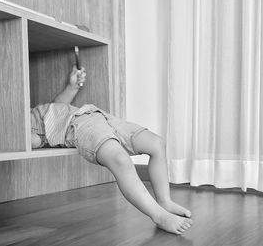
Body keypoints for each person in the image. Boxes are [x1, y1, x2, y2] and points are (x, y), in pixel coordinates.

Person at [30, 66, 193, 235]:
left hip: (96, 114)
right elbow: (33, 141)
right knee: (120, 160)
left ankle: (164, 201)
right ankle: (159, 216)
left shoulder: (37, 110)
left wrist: (72, 87)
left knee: (156, 143)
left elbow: (59, 105)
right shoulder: (22, 127)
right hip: (77, 126)